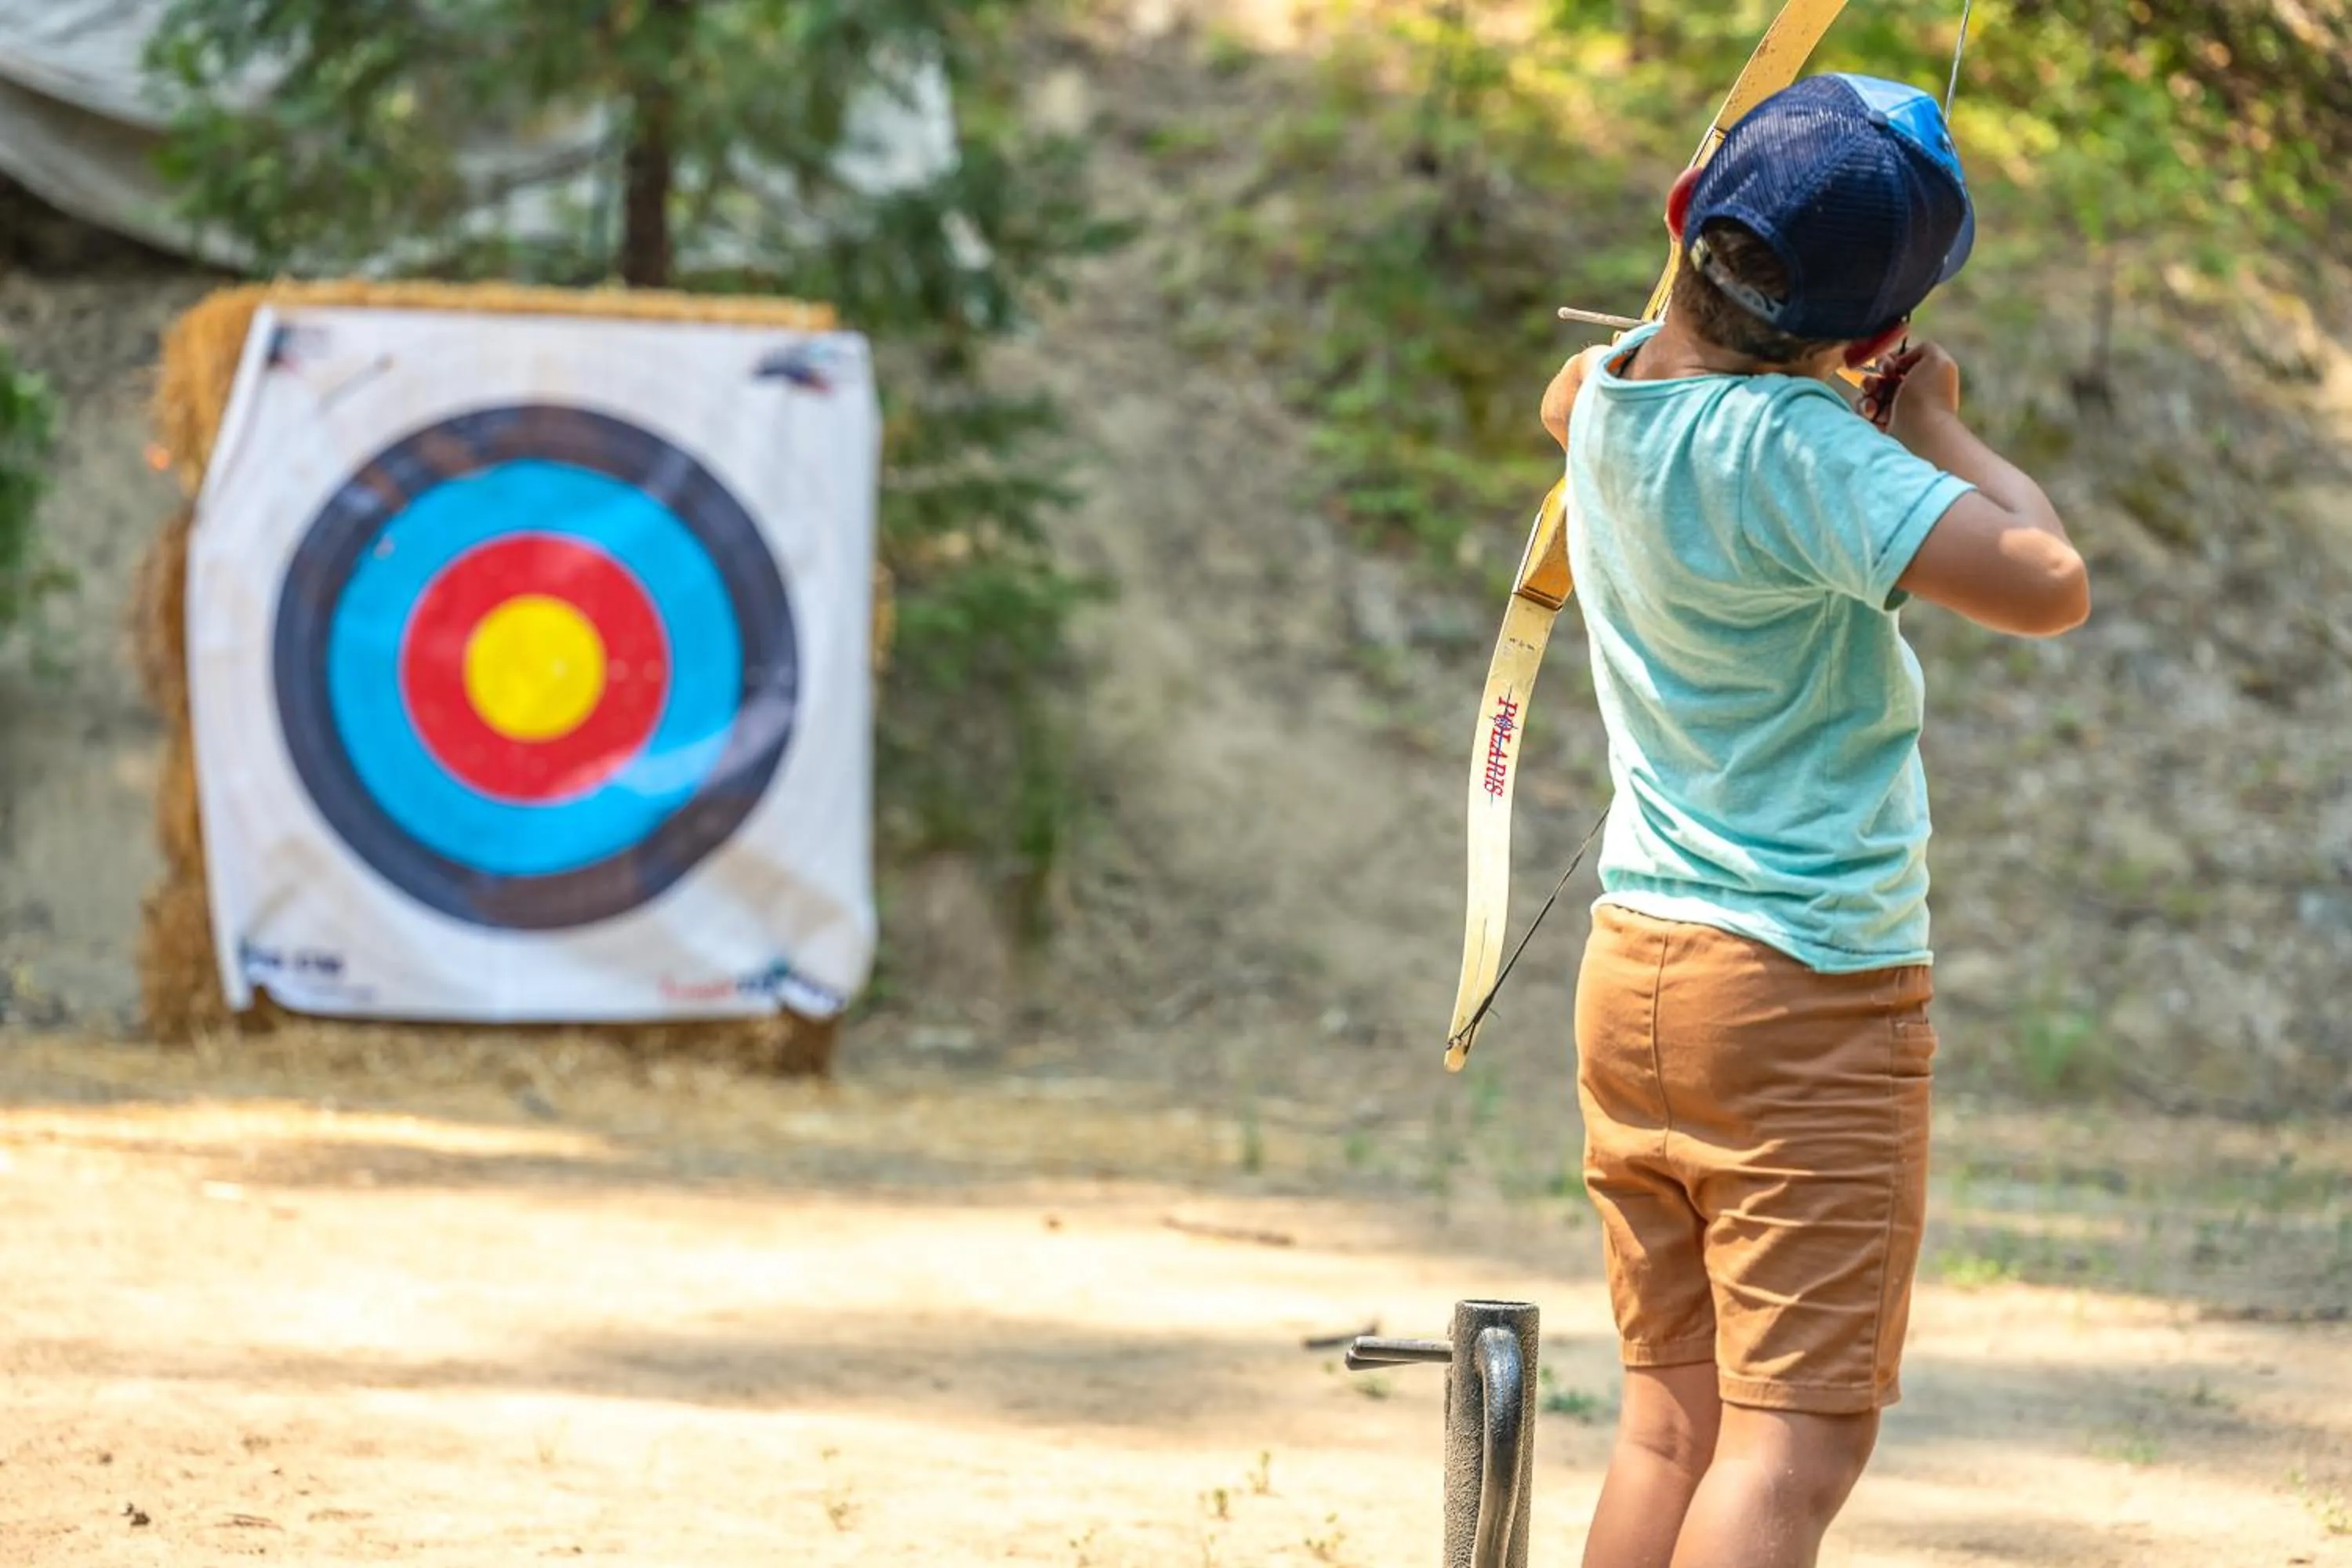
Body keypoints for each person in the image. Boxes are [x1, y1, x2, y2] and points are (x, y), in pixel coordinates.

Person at [1534, 74, 2089, 1568]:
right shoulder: (1809, 453)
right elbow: (2046, 577)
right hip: (1800, 996)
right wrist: (1940, 428)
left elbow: (1569, 388)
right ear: (1868, 334)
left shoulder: (1604, 401)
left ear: (1683, 224)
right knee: (1794, 1446)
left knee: (1673, 1425)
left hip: (1635, 973)